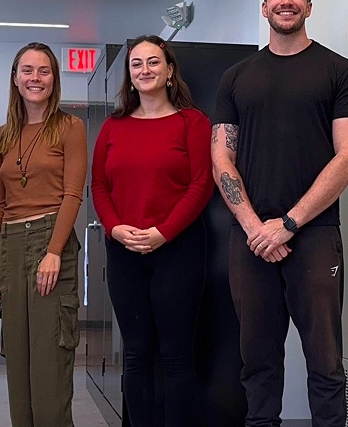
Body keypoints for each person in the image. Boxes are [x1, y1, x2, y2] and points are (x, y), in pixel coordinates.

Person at [211, 0, 348, 427]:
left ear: (309, 6)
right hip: (251, 239)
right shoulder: (236, 77)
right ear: (264, 7)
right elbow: (222, 159)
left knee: (325, 362)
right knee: (257, 362)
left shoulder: (341, 72)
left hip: (315, 235)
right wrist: (255, 228)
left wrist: (288, 224)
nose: (286, 1)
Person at [90, 35, 214, 426]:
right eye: (137, 64)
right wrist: (114, 228)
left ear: (170, 71)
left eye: (153, 62)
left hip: (179, 249)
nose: (145, 70)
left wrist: (164, 232)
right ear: (129, 75)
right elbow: (99, 186)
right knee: (136, 353)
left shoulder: (193, 122)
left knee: (176, 354)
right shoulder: (112, 127)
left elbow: (202, 185)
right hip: (124, 251)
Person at [0, 42, 86, 426]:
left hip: (50, 239)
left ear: (54, 79)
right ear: (15, 78)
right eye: (27, 70)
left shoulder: (70, 128)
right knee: (18, 362)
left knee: (50, 361)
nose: (35, 78)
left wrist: (54, 251)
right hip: (9, 246)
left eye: (44, 70)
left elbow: (73, 194)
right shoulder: (1, 137)